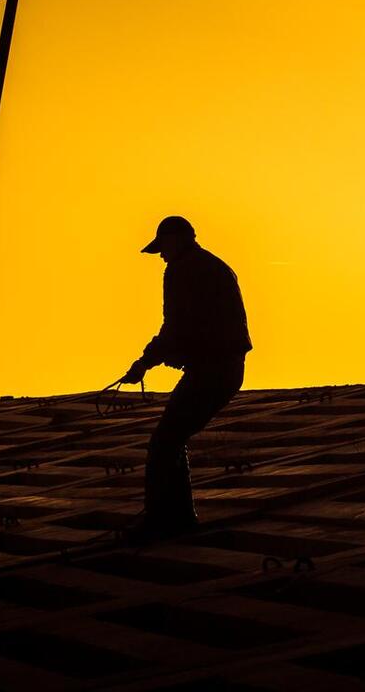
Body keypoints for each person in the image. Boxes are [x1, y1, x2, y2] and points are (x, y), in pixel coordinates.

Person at [119, 215, 252, 544]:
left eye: (162, 248)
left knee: (164, 442)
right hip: (225, 369)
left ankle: (162, 519)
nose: (161, 256)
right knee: (172, 439)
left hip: (212, 370)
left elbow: (175, 327)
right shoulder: (213, 266)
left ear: (176, 240)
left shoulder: (182, 270)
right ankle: (178, 517)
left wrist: (144, 363)